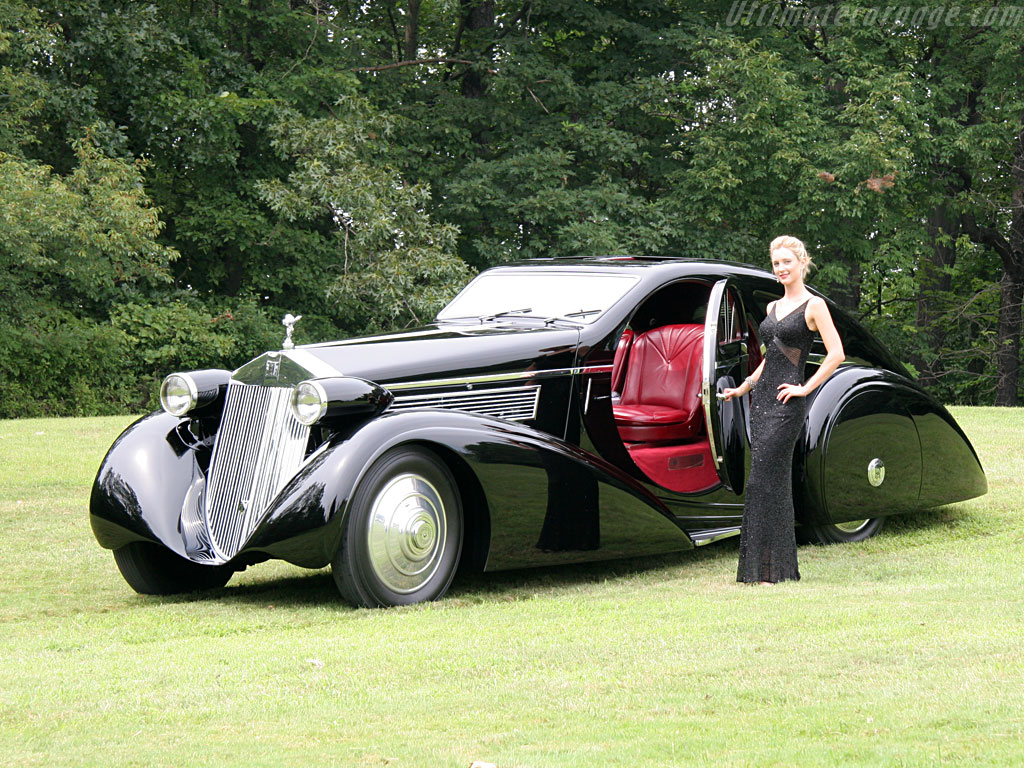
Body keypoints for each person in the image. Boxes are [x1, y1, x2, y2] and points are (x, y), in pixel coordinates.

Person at [721, 236, 845, 584]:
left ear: (802, 263)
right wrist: (743, 387)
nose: (781, 269)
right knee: (770, 482)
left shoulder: (814, 305)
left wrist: (805, 387)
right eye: (776, 264)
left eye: (787, 262)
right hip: (761, 401)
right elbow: (771, 359)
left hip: (788, 402)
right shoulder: (771, 308)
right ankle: (774, 570)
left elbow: (836, 353)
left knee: (762, 480)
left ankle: (765, 571)